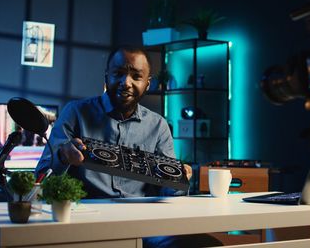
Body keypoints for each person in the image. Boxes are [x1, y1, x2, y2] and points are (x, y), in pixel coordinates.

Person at [35, 46, 221, 247]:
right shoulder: (75, 113)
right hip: (85, 220)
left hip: (143, 225)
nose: (126, 83)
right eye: (118, 74)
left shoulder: (158, 126)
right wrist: (63, 156)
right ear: (106, 77)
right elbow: (42, 178)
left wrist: (178, 179)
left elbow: (169, 196)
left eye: (136, 76)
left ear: (147, 84)